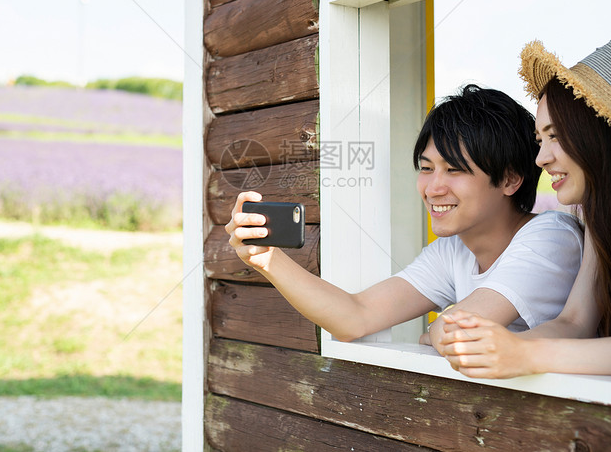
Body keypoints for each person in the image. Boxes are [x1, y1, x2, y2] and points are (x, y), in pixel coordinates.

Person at [226, 84, 583, 347]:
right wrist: (267, 259)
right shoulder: (455, 250)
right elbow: (355, 316)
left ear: (509, 179)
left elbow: (457, 331)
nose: (433, 188)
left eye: (454, 170)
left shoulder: (552, 236)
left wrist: (437, 333)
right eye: (427, 168)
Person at [440, 38, 611, 377]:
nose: (541, 159)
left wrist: (532, 356)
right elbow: (575, 322)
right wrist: (506, 348)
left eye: (555, 135)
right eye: (540, 140)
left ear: (606, 132)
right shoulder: (601, 221)